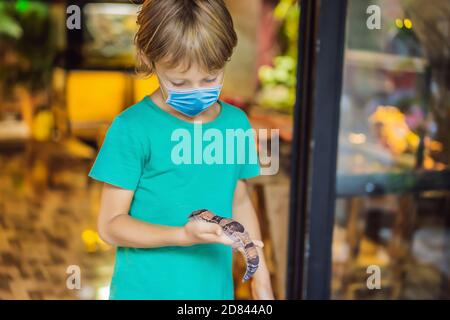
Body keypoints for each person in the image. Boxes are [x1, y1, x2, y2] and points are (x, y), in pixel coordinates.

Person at [88, 0, 274, 300]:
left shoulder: (236, 123)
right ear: (149, 59)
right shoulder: (132, 128)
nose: (197, 91)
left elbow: (238, 201)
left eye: (210, 78)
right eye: (179, 81)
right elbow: (110, 226)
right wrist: (182, 236)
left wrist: (260, 274)